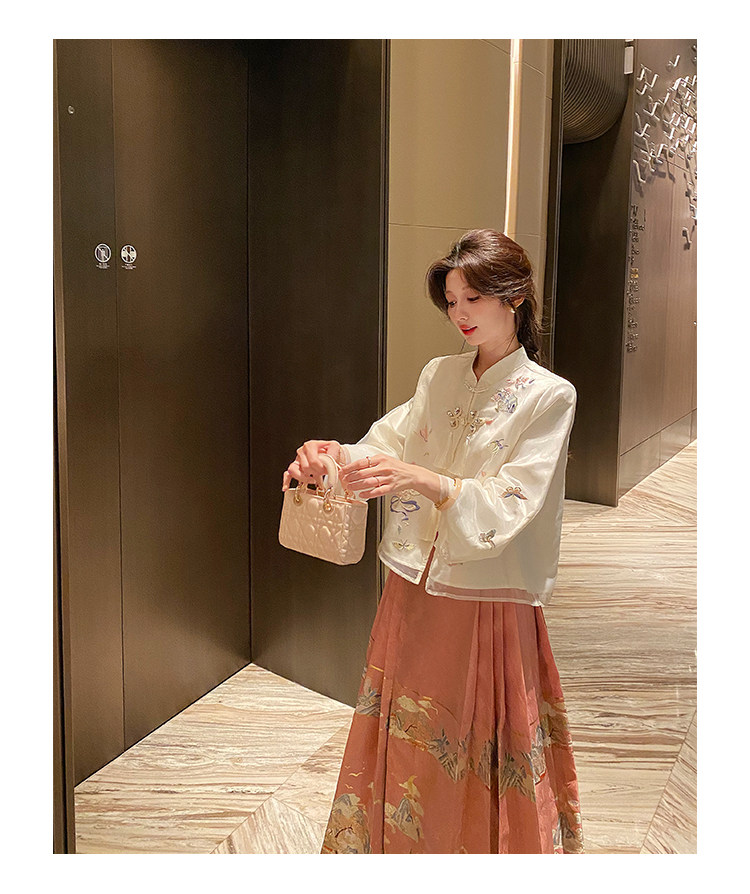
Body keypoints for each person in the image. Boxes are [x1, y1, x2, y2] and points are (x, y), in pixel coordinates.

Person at [282, 229, 584, 854]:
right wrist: (328, 457)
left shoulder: (548, 396)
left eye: (473, 298)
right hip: (414, 584)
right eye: (451, 301)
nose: (460, 314)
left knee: (476, 736)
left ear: (515, 297)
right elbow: (385, 447)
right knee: (407, 731)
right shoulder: (439, 375)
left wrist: (424, 479)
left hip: (486, 594)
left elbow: (515, 499)